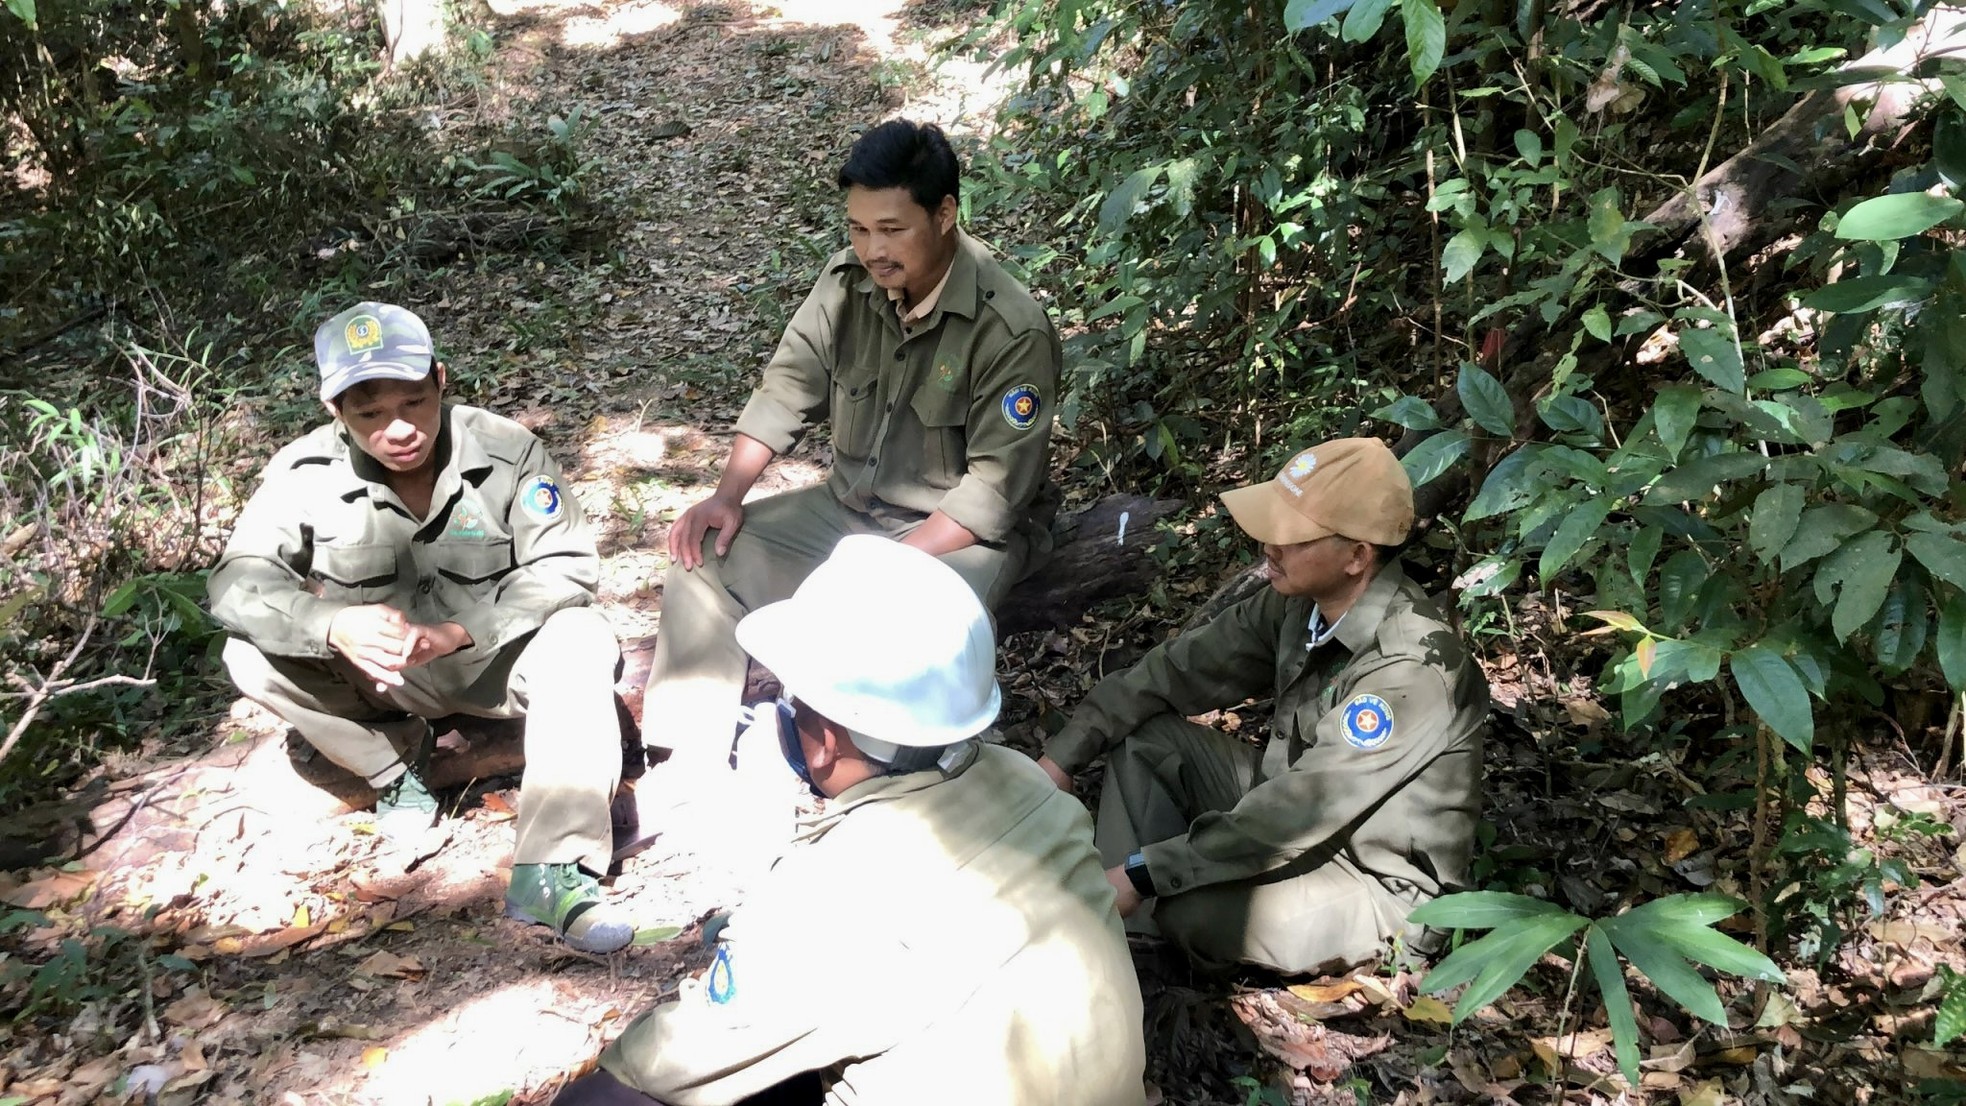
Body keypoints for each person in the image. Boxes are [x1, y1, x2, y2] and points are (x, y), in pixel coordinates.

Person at [555, 536, 1145, 1106]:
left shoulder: (831, 891)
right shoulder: (1031, 785)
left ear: (825, 745)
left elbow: (667, 1064)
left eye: (793, 701)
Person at [209, 302, 636, 954]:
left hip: (497, 665)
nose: (398, 429)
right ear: (336, 413)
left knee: (582, 636)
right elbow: (236, 583)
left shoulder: (507, 450)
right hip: (384, 681)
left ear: (441, 379)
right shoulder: (302, 474)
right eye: (369, 415)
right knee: (247, 653)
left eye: (414, 402)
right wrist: (332, 624)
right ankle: (395, 773)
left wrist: (460, 631)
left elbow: (567, 567)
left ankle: (553, 874)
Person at [641, 118, 1060, 772]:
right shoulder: (847, 286)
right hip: (851, 511)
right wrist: (726, 496)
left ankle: (900, 779)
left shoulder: (1010, 327)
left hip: (957, 537)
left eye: (892, 229)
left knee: (898, 625)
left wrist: (876, 569)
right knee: (706, 559)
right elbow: (788, 386)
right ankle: (689, 757)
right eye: (859, 229)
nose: (873, 249)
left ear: (945, 213)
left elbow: (992, 492)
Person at [1035, 438, 1489, 975]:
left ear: (1357, 557)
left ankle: (1136, 930)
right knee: (1146, 743)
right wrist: (1062, 756)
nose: (1269, 547)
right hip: (1293, 815)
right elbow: (1175, 670)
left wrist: (1145, 874)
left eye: (1292, 537)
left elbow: (1303, 806)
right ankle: (1127, 939)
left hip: (1372, 880)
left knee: (1188, 911)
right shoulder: (1297, 606)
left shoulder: (1407, 670)